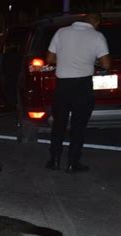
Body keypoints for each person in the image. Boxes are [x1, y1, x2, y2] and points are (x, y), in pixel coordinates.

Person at [45, 13, 111, 173]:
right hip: (82, 86)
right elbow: (106, 64)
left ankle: (54, 160)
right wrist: (91, 60)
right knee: (78, 126)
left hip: (62, 86)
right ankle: (72, 163)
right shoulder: (96, 36)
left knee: (59, 124)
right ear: (96, 22)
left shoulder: (61, 32)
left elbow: (50, 59)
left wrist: (66, 58)